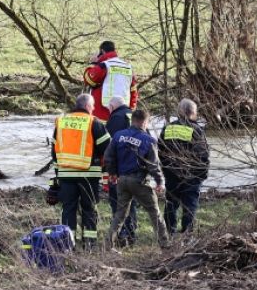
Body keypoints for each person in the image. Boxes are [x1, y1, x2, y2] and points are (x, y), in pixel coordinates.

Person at [104, 109, 170, 249]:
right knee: (154, 212)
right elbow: (153, 165)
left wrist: (113, 173)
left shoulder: (118, 136)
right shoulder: (148, 140)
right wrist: (159, 182)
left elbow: (108, 157)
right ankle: (165, 245)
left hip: (122, 181)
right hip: (139, 181)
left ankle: (109, 245)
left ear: (132, 120)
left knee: (120, 214)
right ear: (145, 122)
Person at [52, 93, 111, 249]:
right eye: (92, 107)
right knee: (89, 209)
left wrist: (57, 175)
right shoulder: (94, 122)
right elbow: (108, 148)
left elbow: (54, 150)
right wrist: (106, 169)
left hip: (65, 174)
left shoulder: (61, 122)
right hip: (89, 175)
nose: (93, 109)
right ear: (87, 106)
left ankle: (67, 244)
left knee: (68, 209)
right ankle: (89, 244)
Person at [158, 98, 210, 235]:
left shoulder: (168, 128)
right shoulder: (197, 130)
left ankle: (170, 232)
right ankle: (187, 233)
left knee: (171, 203)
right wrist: (201, 175)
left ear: (179, 112)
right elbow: (203, 155)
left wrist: (166, 169)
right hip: (191, 175)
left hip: (171, 173)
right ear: (193, 112)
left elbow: (160, 151)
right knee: (190, 205)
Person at [104, 96, 138, 247]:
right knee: (132, 203)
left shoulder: (115, 118)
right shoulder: (134, 115)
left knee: (118, 203)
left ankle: (122, 234)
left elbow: (110, 147)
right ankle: (131, 234)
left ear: (111, 106)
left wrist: (110, 171)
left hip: (120, 170)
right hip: (137, 169)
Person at [83, 40, 138, 123]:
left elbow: (89, 79)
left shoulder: (104, 65)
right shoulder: (128, 67)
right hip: (124, 114)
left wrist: (93, 63)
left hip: (103, 114)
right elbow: (133, 91)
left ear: (102, 51)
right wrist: (131, 110)